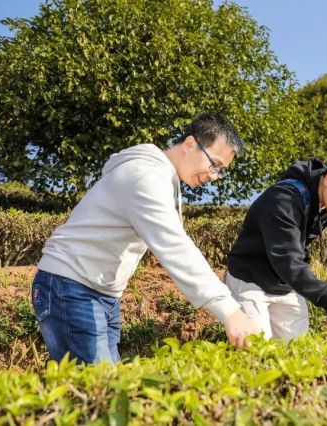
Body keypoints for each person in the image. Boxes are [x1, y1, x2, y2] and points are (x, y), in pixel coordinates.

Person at [31, 113, 258, 364]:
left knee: (103, 389)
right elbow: (174, 246)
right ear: (190, 144)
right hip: (71, 287)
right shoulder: (147, 177)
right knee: (101, 391)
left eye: (221, 171)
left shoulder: (161, 177)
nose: (214, 176)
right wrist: (229, 311)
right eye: (214, 164)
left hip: (99, 292)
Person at [225, 153, 327, 340]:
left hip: (285, 282)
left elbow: (298, 249)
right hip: (249, 280)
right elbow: (288, 259)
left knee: (297, 351)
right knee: (255, 350)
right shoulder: (283, 201)